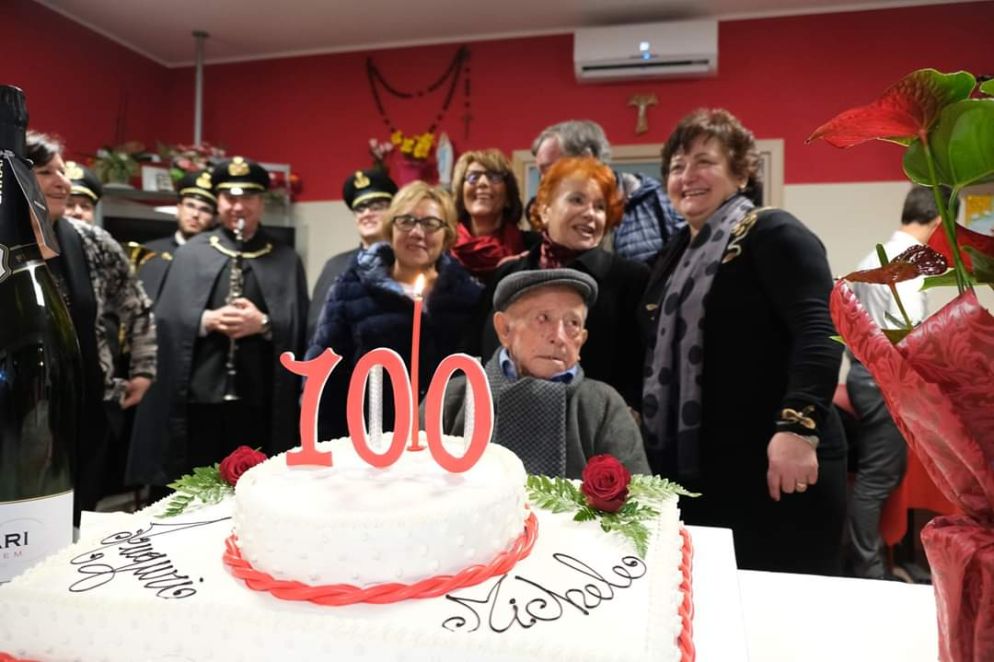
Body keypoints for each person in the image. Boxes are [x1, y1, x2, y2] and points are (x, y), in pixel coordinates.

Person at [638, 109, 846, 575]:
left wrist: (797, 428)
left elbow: (822, 330)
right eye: (676, 167)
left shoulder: (773, 232)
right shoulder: (673, 255)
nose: (687, 176)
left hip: (779, 467)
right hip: (703, 476)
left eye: (704, 162)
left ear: (741, 171)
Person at [128, 156, 308, 490]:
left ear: (261, 202)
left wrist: (264, 323)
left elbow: (299, 325)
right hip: (198, 401)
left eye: (248, 198)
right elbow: (166, 321)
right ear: (219, 201)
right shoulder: (191, 252)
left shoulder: (285, 258)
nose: (238, 206)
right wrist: (204, 319)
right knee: (195, 487)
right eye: (230, 198)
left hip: (259, 400)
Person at [26, 131, 156, 520]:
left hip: (89, 404)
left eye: (63, 172)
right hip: (20, 407)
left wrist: (144, 370)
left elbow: (138, 307)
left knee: (80, 508)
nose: (63, 183)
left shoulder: (93, 241)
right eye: (47, 172)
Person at [308, 181, 482, 440]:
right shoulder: (351, 288)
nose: (417, 232)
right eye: (406, 221)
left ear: (447, 235)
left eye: (431, 223)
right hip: (368, 442)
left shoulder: (470, 297)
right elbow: (324, 373)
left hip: (444, 442)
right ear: (390, 228)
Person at [473, 157, 648, 410]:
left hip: (587, 429)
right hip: (499, 420)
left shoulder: (630, 279)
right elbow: (471, 349)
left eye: (600, 207)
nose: (590, 213)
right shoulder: (508, 273)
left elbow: (640, 367)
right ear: (545, 209)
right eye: (577, 200)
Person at [442, 269, 649, 478]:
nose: (559, 337)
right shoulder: (456, 396)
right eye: (543, 318)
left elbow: (641, 500)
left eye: (573, 324)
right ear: (504, 329)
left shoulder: (603, 404)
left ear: (582, 339)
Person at [845, 185, 942, 580]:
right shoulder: (906, 264)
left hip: (864, 375)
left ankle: (877, 562)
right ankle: (868, 570)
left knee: (881, 475)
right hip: (881, 380)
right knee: (878, 477)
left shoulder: (879, 255)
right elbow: (910, 337)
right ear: (939, 223)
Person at [531, 119, 684, 265]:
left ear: (587, 158)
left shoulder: (660, 201)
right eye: (541, 173)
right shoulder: (550, 211)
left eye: (549, 169)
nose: (543, 181)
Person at [306, 168, 398, 340]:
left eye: (377, 206)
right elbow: (314, 329)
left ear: (393, 211)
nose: (367, 214)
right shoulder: (334, 266)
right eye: (360, 208)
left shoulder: (407, 264)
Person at [449, 149, 537, 283]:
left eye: (494, 177)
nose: (482, 183)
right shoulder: (442, 247)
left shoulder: (532, 249)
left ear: (508, 196)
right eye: (473, 177)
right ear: (461, 195)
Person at [137, 168, 217, 301]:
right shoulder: (149, 253)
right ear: (178, 209)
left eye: (205, 209)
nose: (195, 215)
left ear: (214, 219)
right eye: (190, 206)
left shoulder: (218, 259)